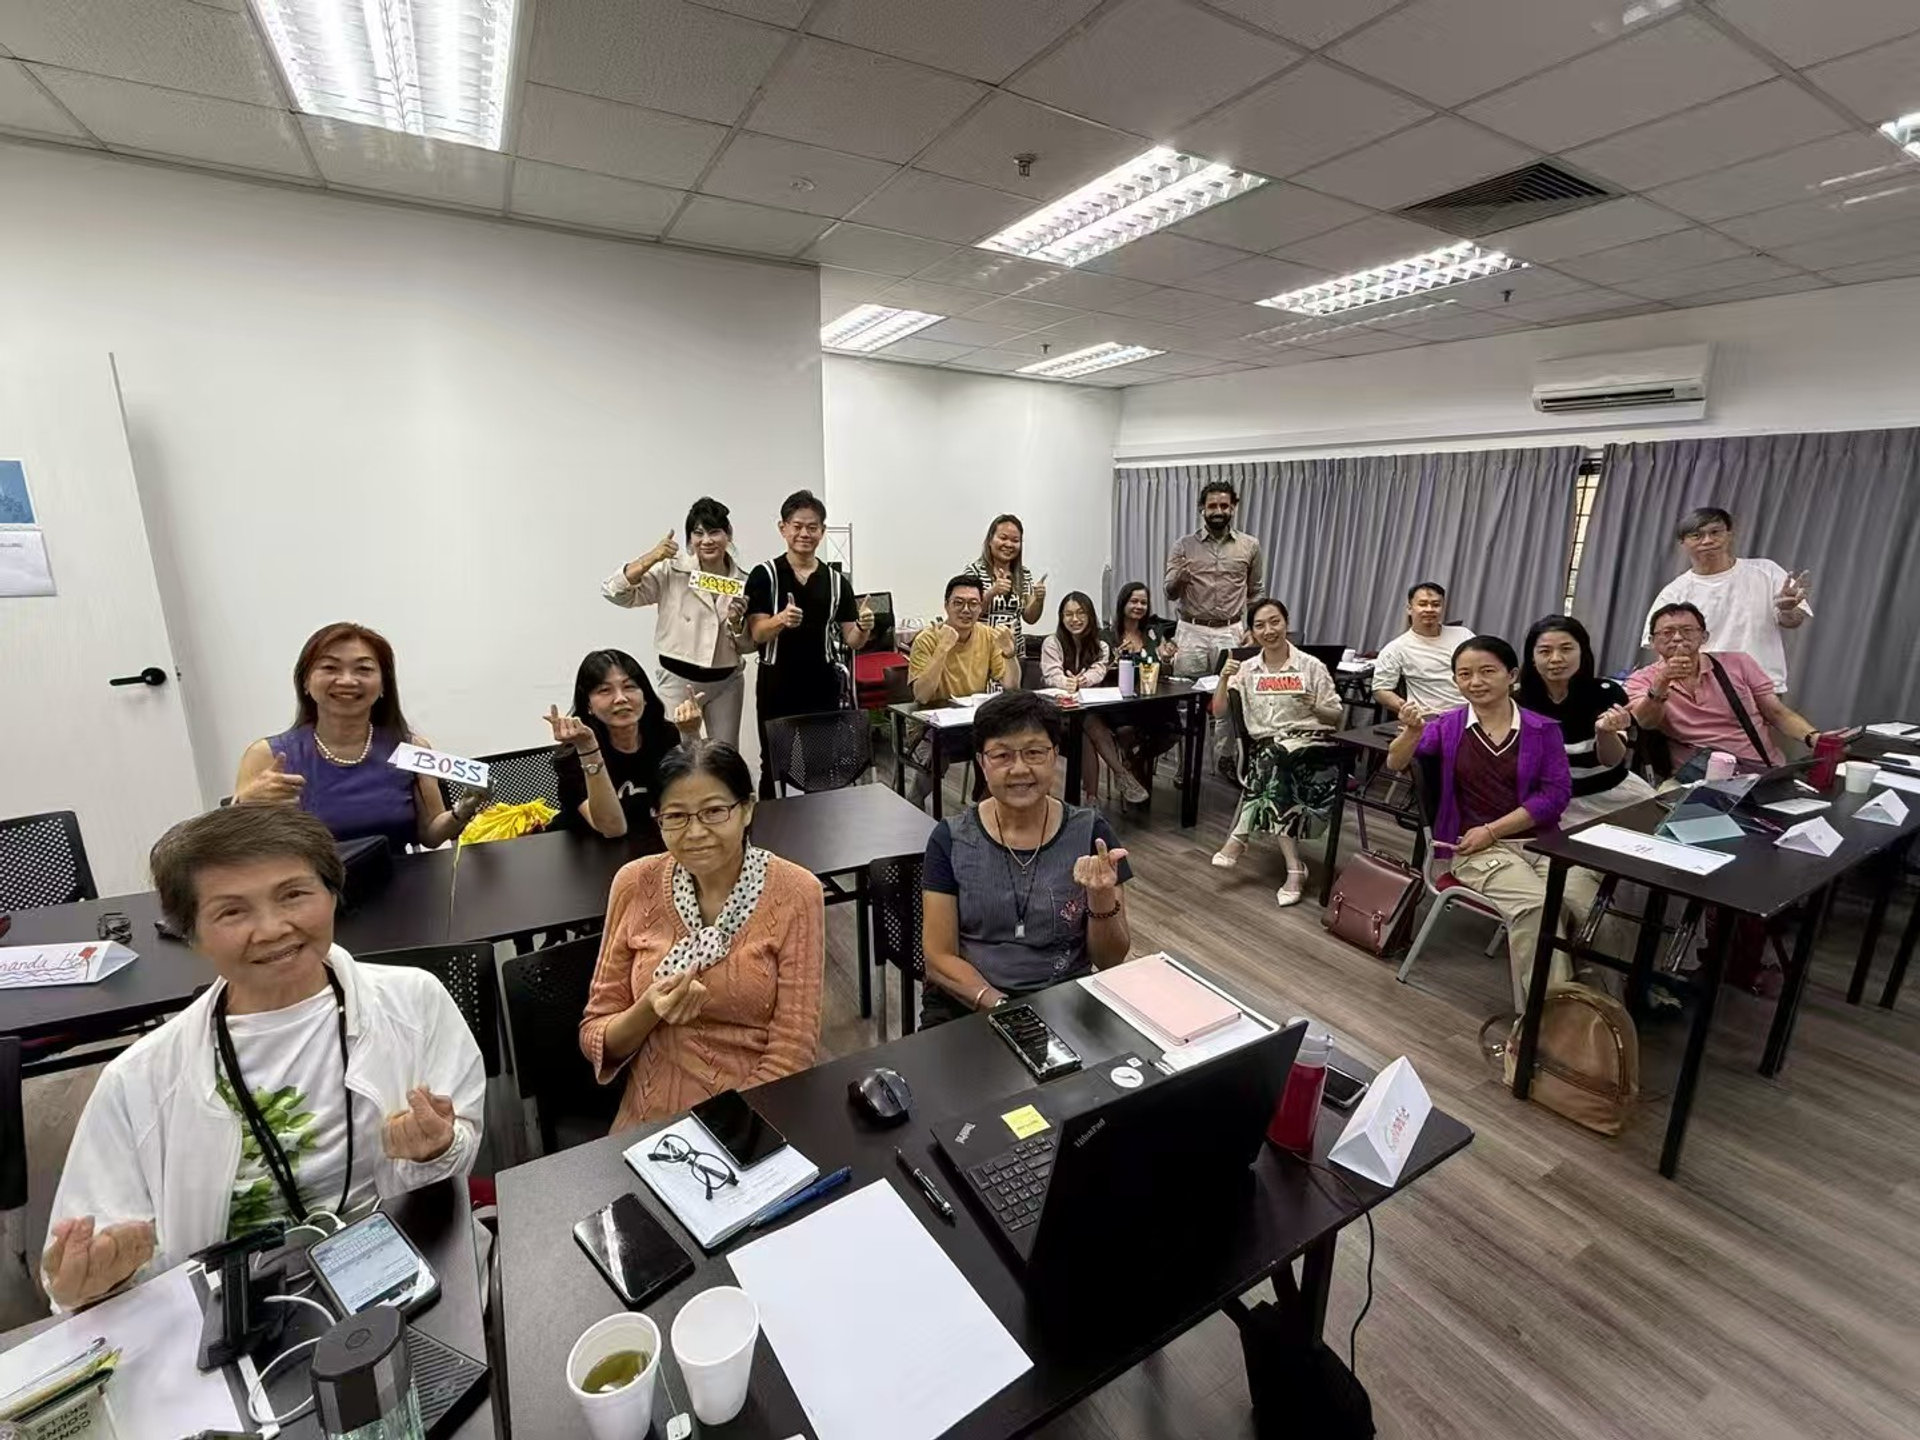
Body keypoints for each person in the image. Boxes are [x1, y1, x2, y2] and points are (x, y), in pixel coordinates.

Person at [43, 807, 485, 1311]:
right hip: (229, 1310)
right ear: (191, 933)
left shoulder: (414, 1004)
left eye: (294, 894)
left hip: (400, 1271)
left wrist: (434, 1149)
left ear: (333, 894)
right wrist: (98, 1281)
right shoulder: (139, 1080)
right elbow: (89, 1266)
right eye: (232, 912)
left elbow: (451, 1171)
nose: (273, 929)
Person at [579, 742, 824, 1131]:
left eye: (714, 811)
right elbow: (596, 1032)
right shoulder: (634, 883)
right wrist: (648, 1009)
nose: (695, 832)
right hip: (649, 1119)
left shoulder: (795, 893)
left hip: (753, 1113)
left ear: (746, 809)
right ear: (657, 819)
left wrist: (724, 1135)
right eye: (675, 816)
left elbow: (792, 1050)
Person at [1384, 636, 1597, 1010]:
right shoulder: (1449, 726)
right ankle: (1552, 1020)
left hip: (1540, 842)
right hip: (1475, 849)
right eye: (1464, 674)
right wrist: (1412, 732)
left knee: (1589, 906)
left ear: (1512, 675)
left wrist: (1495, 829)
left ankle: (1603, 1005)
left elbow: (1555, 795)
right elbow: (1395, 763)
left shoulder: (1542, 729)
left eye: (1487, 672)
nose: (1475, 682)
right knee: (1535, 906)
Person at [920, 691, 1132, 1026]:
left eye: (1034, 752)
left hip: (1065, 1000)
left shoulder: (1093, 833)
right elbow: (938, 957)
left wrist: (1101, 896)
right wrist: (1002, 1006)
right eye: (1002, 755)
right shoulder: (951, 838)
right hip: (970, 1003)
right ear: (981, 762)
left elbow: (1109, 960)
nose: (1019, 769)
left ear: (1054, 756)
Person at [233, 622, 480, 850]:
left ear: (383, 685)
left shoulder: (412, 749)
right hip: (311, 891)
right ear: (306, 682)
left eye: (363, 669)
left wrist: (463, 810)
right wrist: (245, 807)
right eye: (330, 667)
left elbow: (430, 834)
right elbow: (240, 848)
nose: (347, 680)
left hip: (400, 886)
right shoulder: (267, 755)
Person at [1209, 598, 1343, 906]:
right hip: (1271, 752)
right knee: (1276, 763)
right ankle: (1295, 869)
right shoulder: (1246, 669)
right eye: (1260, 625)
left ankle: (1238, 839)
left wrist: (1314, 704)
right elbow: (1218, 712)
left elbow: (1336, 717)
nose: (1269, 630)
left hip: (1314, 747)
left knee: (1275, 761)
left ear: (1286, 623)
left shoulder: (1310, 666)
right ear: (1251, 632)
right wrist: (1223, 679)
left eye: (1275, 622)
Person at [744, 489, 874, 798]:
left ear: (822, 531)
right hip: (777, 682)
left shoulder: (836, 581)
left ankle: (820, 834)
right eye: (797, 525)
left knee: (822, 764)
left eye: (812, 527)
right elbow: (757, 634)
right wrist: (781, 620)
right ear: (783, 528)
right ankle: (772, 834)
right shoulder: (765, 575)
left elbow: (851, 640)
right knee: (774, 764)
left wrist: (864, 627)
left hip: (822, 681)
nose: (805, 533)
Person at [600, 497, 752, 746]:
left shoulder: (743, 581)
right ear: (690, 538)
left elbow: (748, 645)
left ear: (728, 535)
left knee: (725, 756)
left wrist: (736, 623)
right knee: (677, 753)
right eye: (698, 533)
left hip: (727, 681)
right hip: (677, 678)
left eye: (715, 532)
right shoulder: (671, 570)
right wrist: (651, 558)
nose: (707, 540)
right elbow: (615, 593)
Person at [1626, 602, 1829, 779]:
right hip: (1696, 777)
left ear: (1704, 636)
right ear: (1652, 641)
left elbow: (1776, 712)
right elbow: (1645, 722)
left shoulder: (1738, 663)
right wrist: (1662, 681)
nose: (1678, 638)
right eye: (1667, 633)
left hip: (1759, 771)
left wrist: (1814, 738)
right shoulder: (1641, 679)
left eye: (1687, 630)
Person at [1644, 506, 1809, 693]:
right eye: (1696, 536)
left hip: (1763, 687)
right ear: (1682, 543)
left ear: (1729, 535)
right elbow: (1660, 649)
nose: (1708, 540)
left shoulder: (1767, 571)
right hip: (1704, 691)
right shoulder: (1673, 593)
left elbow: (1794, 621)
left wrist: (1787, 609)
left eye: (1715, 532)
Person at [545, 649, 705, 841]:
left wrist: (691, 734)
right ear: (588, 705)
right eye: (605, 690)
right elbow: (613, 829)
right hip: (591, 854)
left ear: (645, 696)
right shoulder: (573, 755)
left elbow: (696, 799)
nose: (620, 698)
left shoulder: (665, 735)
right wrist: (588, 749)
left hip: (654, 848)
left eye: (629, 686)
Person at [1517, 615, 1656, 826]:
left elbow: (1612, 759)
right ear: (1533, 658)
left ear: (1582, 652)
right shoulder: (1517, 702)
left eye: (1566, 649)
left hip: (1613, 795)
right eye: (1545, 651)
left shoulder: (1607, 693)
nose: (1556, 658)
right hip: (1552, 803)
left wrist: (1604, 732)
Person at [904, 574, 1019, 805]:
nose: (966, 610)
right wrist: (944, 647)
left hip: (971, 722)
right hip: (929, 725)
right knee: (938, 750)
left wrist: (1009, 654)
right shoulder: (928, 638)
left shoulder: (987, 635)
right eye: (958, 603)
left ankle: (984, 806)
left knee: (1003, 743)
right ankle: (915, 800)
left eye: (973, 603)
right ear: (946, 605)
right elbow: (922, 695)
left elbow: (1011, 686)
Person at [1042, 592, 1147, 805]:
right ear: (1061, 618)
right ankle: (1120, 775)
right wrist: (1066, 682)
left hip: (1085, 714)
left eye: (1081, 613)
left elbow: (1098, 672)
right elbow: (1051, 674)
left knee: (1085, 729)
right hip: (1056, 714)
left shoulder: (1101, 646)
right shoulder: (1052, 643)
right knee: (1087, 724)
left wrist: (1082, 681)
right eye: (1068, 614)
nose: (1075, 619)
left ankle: (1091, 799)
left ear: (1090, 616)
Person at [1163, 479, 1263, 679]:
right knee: (1185, 691)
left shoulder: (1250, 545)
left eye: (1224, 506)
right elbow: (1169, 593)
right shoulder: (1183, 545)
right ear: (1202, 508)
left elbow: (1255, 592)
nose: (1218, 511)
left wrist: (1253, 630)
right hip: (1191, 631)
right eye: (1212, 506)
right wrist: (1179, 579)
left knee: (1228, 690)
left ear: (1233, 508)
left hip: (1230, 631)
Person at [1109, 581, 1182, 789]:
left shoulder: (1153, 634)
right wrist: (1115, 660)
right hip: (1121, 704)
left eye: (1143, 602)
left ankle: (1133, 763)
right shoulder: (1108, 636)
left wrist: (1167, 659)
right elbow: (1102, 674)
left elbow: (1164, 673)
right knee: (1125, 731)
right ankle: (1135, 767)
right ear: (1123, 603)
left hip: (1152, 700)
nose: (1139, 606)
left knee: (1174, 730)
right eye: (1134, 601)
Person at [1372, 582, 1476, 716]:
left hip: (1475, 712)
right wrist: (1408, 709)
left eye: (1436, 605)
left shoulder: (1464, 635)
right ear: (1409, 609)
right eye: (1422, 604)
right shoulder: (1396, 648)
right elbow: (1380, 690)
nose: (1429, 609)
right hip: (1434, 717)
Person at [963, 514, 1047, 658]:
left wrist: (1039, 600)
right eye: (1003, 538)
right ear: (990, 540)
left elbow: (1030, 618)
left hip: (1015, 653)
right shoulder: (974, 572)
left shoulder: (1024, 574)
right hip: (982, 654)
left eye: (1015, 540)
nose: (1009, 544)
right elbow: (968, 614)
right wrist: (991, 593)